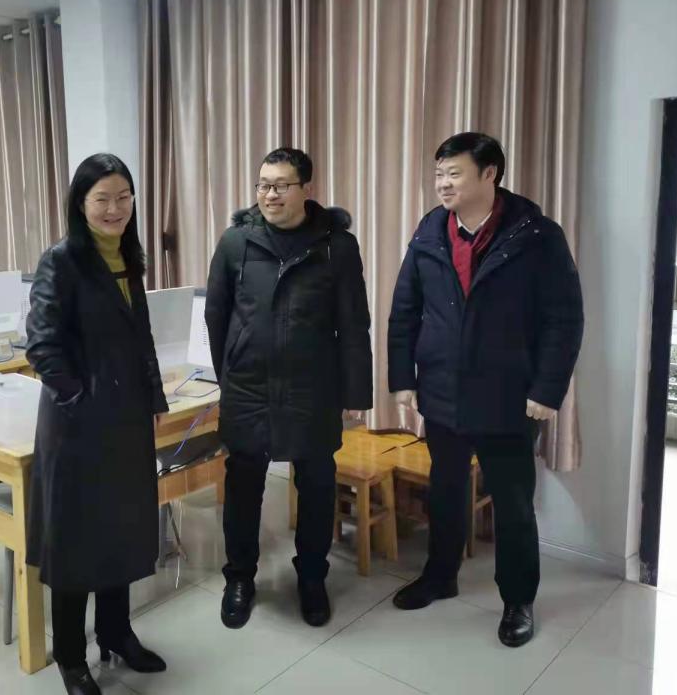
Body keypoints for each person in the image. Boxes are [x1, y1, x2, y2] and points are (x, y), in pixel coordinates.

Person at [387, 132, 584, 647]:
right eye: (439, 174)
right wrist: (403, 378)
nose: (443, 184)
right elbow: (405, 309)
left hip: (508, 394)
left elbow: (564, 319)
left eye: (454, 173)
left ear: (490, 174)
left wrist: (547, 389)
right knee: (446, 490)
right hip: (442, 390)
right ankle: (440, 575)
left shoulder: (537, 236)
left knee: (513, 503)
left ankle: (518, 599)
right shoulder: (430, 230)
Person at [205, 147, 373, 630]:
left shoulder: (336, 247)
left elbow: (354, 324)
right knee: (243, 488)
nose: (270, 195)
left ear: (306, 189)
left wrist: (355, 394)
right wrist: (228, 374)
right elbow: (217, 316)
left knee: (317, 486)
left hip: (312, 390)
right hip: (248, 389)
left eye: (281, 185)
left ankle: (312, 578)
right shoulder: (236, 242)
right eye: (263, 185)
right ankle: (240, 577)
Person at [26, 153, 169, 695]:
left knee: (121, 529)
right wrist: (79, 398)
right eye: (102, 199)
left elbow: (142, 336)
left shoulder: (129, 256)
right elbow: (42, 346)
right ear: (80, 204)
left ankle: (116, 631)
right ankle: (70, 655)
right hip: (78, 426)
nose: (115, 209)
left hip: (127, 418)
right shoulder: (62, 261)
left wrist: (154, 396)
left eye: (123, 197)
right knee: (77, 541)